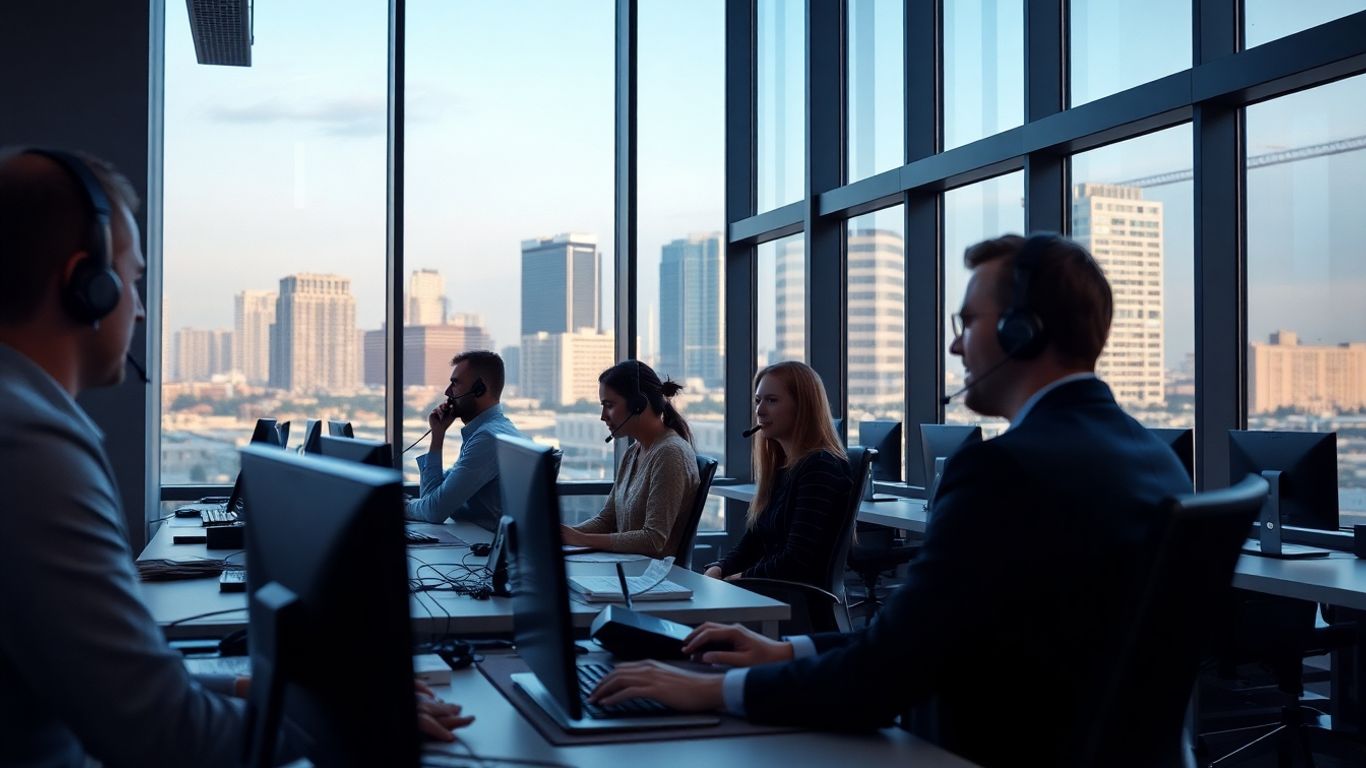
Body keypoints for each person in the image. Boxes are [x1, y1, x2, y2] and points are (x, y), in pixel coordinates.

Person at [588, 233, 1193, 767]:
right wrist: (785, 649)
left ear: (1020, 331)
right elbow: (929, 635)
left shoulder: (1002, 473)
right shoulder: (1159, 463)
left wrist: (712, 689)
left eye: (967, 323)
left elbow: (887, 677)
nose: (956, 349)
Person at [0, 148, 471, 767]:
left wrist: (270, 689)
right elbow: (164, 735)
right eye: (132, 280)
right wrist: (354, 715)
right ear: (86, 285)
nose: (138, 308)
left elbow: (112, 691)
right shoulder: (31, 445)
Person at [703, 361, 851, 587]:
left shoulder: (820, 467)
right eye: (757, 401)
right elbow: (753, 542)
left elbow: (797, 561)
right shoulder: (782, 469)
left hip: (796, 604)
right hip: (773, 592)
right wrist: (720, 568)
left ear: (803, 407)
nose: (760, 411)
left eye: (771, 401)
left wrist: (740, 579)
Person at [561, 360, 700, 558]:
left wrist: (580, 539)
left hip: (654, 578)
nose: (603, 416)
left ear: (638, 405)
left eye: (609, 405)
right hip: (630, 568)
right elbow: (606, 520)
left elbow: (653, 540)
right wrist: (563, 535)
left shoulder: (670, 454)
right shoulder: (634, 452)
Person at [406, 349, 526, 530]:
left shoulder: (487, 439)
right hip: (475, 540)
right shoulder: (487, 431)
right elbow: (432, 498)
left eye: (455, 383)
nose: (447, 392)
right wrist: (437, 435)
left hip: (485, 547)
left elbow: (434, 511)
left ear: (479, 389)